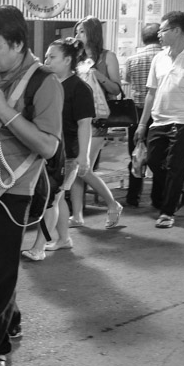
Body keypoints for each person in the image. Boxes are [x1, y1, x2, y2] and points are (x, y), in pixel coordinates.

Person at [0, 6, 63, 366]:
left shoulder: (45, 83)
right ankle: (8, 319)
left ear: (18, 43)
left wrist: (4, 110)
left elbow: (49, 146)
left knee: (1, 270)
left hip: (15, 189)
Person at [134, 11, 184, 228]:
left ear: (177, 31)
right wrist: (142, 124)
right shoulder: (159, 58)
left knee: (176, 166)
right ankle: (180, 193)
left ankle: (167, 212)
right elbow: (151, 93)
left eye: (163, 30)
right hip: (159, 119)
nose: (159, 34)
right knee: (153, 161)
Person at [22, 38, 94, 262]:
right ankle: (64, 239)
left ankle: (39, 247)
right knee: (58, 198)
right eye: (46, 56)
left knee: (51, 199)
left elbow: (85, 124)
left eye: (52, 57)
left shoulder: (80, 88)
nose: (47, 60)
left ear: (68, 60)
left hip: (67, 154)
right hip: (47, 151)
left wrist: (83, 155)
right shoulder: (47, 83)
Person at [71, 16, 124, 228]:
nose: (77, 35)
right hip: (76, 117)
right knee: (76, 169)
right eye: (76, 32)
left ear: (92, 33)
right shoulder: (76, 57)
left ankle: (113, 204)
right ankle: (77, 215)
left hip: (98, 119)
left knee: (82, 168)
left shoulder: (107, 57)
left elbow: (116, 90)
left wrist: (96, 75)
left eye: (82, 31)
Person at [124, 23, 161, 207]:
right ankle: (157, 197)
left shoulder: (132, 59)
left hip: (137, 113)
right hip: (159, 113)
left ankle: (133, 196)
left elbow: (127, 80)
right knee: (158, 156)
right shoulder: (165, 57)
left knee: (136, 154)